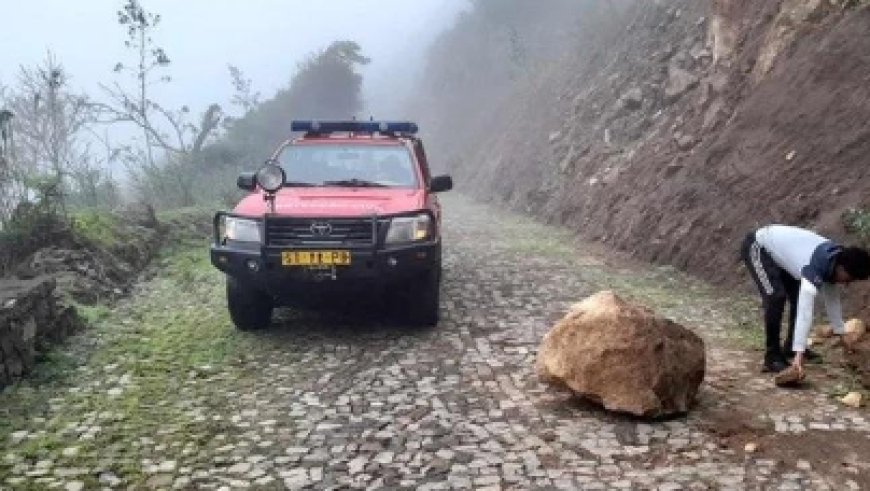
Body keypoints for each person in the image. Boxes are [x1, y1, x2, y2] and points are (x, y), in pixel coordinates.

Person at [741, 225, 870, 375]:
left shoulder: (835, 260)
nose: (847, 284)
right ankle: (773, 356)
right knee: (775, 296)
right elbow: (805, 311)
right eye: (848, 279)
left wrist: (842, 335)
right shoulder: (818, 264)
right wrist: (799, 356)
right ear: (841, 269)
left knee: (796, 295)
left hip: (783, 254)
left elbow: (832, 298)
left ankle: (790, 346)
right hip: (759, 245)